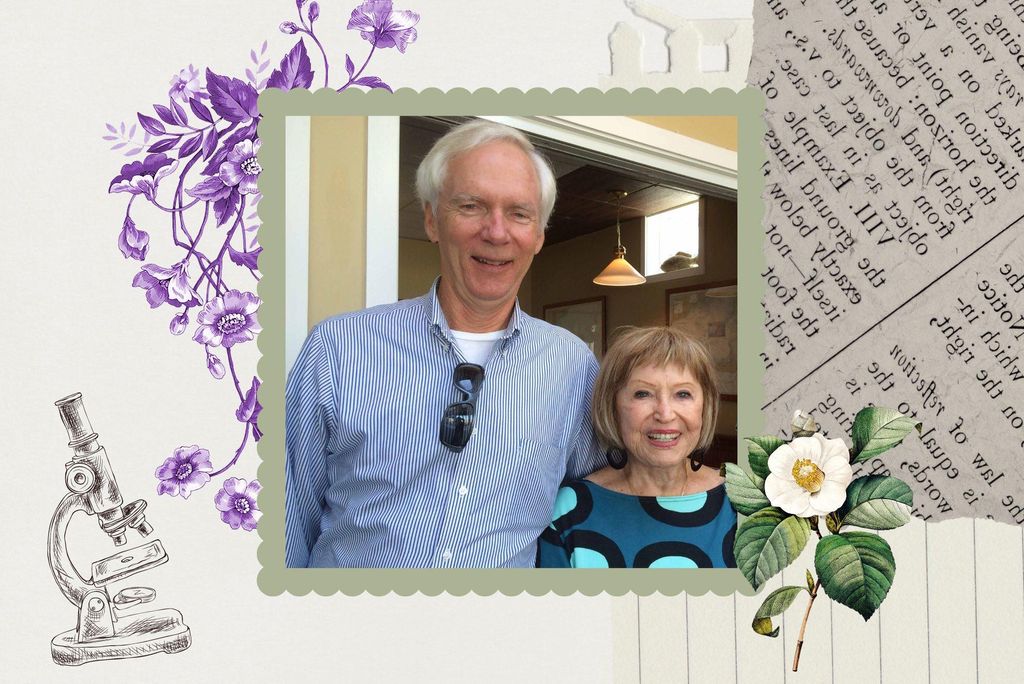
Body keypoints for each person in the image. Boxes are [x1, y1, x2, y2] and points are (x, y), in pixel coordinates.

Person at [285, 119, 602, 568]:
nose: (496, 232)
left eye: (519, 213)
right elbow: (287, 518)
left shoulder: (574, 365)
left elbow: (594, 501)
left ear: (539, 235)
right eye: (471, 206)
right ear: (432, 219)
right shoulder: (337, 349)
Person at [538, 326, 737, 568]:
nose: (665, 414)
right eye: (643, 394)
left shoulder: (745, 501)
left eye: (683, 394)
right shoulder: (567, 511)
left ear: (705, 407)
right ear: (612, 406)